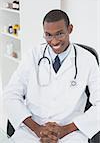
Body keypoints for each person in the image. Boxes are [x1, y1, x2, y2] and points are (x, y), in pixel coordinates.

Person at [3, 9, 100, 143]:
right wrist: (37, 129)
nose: (54, 41)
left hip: (70, 133)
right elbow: (11, 94)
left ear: (70, 29)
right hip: (31, 131)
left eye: (59, 34)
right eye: (48, 35)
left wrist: (66, 129)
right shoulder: (33, 55)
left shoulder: (87, 59)